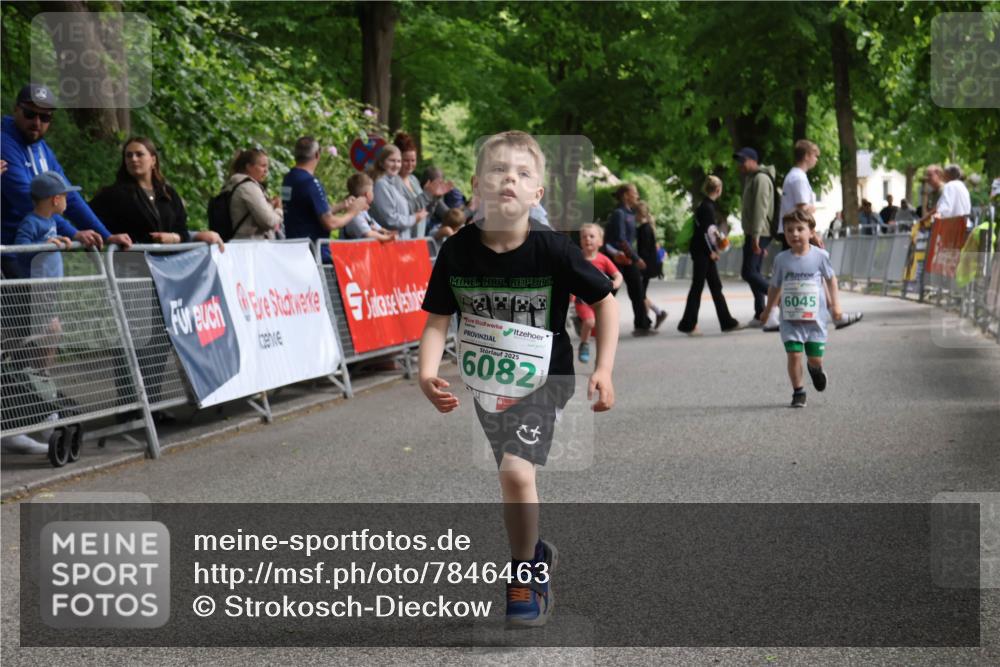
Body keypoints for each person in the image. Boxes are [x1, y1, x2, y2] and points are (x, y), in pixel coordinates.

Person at [419, 131, 618, 627]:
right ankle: (534, 554)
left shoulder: (553, 249)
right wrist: (426, 373)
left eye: (523, 173)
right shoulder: (457, 252)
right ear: (476, 186)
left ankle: (524, 573)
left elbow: (604, 301)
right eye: (498, 170)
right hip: (489, 383)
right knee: (513, 480)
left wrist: (605, 369)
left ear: (538, 194)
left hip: (545, 376)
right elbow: (438, 320)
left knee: (514, 471)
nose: (510, 178)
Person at [1, 84, 131, 277]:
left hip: (41, 251)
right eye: (30, 114)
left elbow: (67, 196)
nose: (37, 122)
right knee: (21, 307)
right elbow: (28, 200)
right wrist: (74, 233)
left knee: (43, 306)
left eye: (45, 117)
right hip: (11, 250)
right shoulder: (4, 143)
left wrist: (106, 235)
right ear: (16, 110)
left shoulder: (42, 148)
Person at [765, 139, 860, 331]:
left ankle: (833, 313)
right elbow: (801, 211)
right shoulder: (798, 178)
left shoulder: (794, 176)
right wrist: (813, 233)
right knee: (810, 272)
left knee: (795, 274)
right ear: (807, 155)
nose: (816, 160)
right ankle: (835, 313)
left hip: (793, 231)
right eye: (815, 155)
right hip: (800, 232)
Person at [760, 209, 843, 408]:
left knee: (814, 358)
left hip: (815, 319)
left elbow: (831, 280)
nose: (794, 234)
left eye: (799, 229)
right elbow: (775, 286)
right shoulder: (781, 259)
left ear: (811, 232)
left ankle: (815, 370)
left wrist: (836, 305)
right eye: (789, 230)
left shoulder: (820, 256)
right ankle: (799, 391)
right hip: (790, 319)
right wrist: (768, 309)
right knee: (794, 354)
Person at [89, 137, 224, 249]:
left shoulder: (168, 193)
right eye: (128, 155)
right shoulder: (112, 195)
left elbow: (182, 230)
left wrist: (173, 238)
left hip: (168, 264)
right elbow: (87, 220)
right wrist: (109, 237)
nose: (133, 159)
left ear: (153, 160)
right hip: (132, 266)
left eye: (139, 154)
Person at [677, 175, 742, 336]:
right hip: (703, 253)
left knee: (714, 286)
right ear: (718, 189)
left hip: (701, 252)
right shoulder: (707, 207)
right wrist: (711, 251)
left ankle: (726, 321)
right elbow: (705, 233)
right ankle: (688, 324)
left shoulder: (705, 206)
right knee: (698, 287)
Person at [282, 136, 366, 262]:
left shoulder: (289, 178)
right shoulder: (310, 182)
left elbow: (307, 213)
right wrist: (352, 212)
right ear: (317, 154)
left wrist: (341, 206)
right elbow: (330, 223)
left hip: (294, 251)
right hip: (313, 254)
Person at [604, 183, 655, 336]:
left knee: (637, 291)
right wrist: (635, 258)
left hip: (627, 258)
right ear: (626, 195)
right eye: (635, 193)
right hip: (618, 258)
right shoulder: (619, 213)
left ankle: (642, 325)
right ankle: (588, 317)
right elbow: (620, 239)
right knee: (611, 292)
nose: (637, 196)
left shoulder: (630, 214)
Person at [735, 146, 776, 327]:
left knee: (749, 271)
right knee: (754, 271)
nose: (740, 165)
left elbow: (761, 208)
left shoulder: (760, 178)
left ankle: (777, 299)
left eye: (742, 161)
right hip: (754, 232)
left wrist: (757, 236)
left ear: (753, 161)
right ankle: (760, 312)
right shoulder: (752, 179)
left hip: (759, 231)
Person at [388, 132, 452, 238]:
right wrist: (427, 194)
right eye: (406, 161)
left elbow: (425, 213)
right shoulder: (393, 182)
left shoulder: (414, 180)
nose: (410, 165)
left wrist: (435, 198)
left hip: (418, 238)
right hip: (402, 239)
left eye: (413, 160)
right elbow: (404, 210)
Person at [576, 222, 623, 362]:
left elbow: (618, 275)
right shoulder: (576, 258)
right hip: (581, 300)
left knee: (600, 329)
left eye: (591, 236)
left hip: (599, 300)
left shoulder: (604, 259)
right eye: (584, 237)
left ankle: (602, 358)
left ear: (600, 241)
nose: (588, 239)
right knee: (590, 322)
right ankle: (584, 344)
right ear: (580, 241)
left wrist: (616, 284)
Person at [224, 148, 283, 240]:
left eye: (267, 167)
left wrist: (270, 205)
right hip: (251, 247)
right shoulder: (248, 187)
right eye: (263, 166)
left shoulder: (235, 184)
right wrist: (278, 209)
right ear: (248, 167)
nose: (266, 170)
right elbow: (269, 221)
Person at [635, 201, 667, 328]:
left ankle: (653, 315)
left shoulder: (644, 229)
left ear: (638, 213)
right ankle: (651, 315)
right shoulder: (647, 228)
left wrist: (638, 262)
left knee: (641, 293)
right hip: (647, 266)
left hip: (645, 266)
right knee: (641, 293)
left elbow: (644, 250)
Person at [342, 173, 396, 242]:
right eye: (372, 191)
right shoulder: (355, 214)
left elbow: (375, 227)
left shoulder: (364, 212)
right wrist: (387, 238)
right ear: (367, 194)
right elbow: (368, 234)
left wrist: (387, 232)